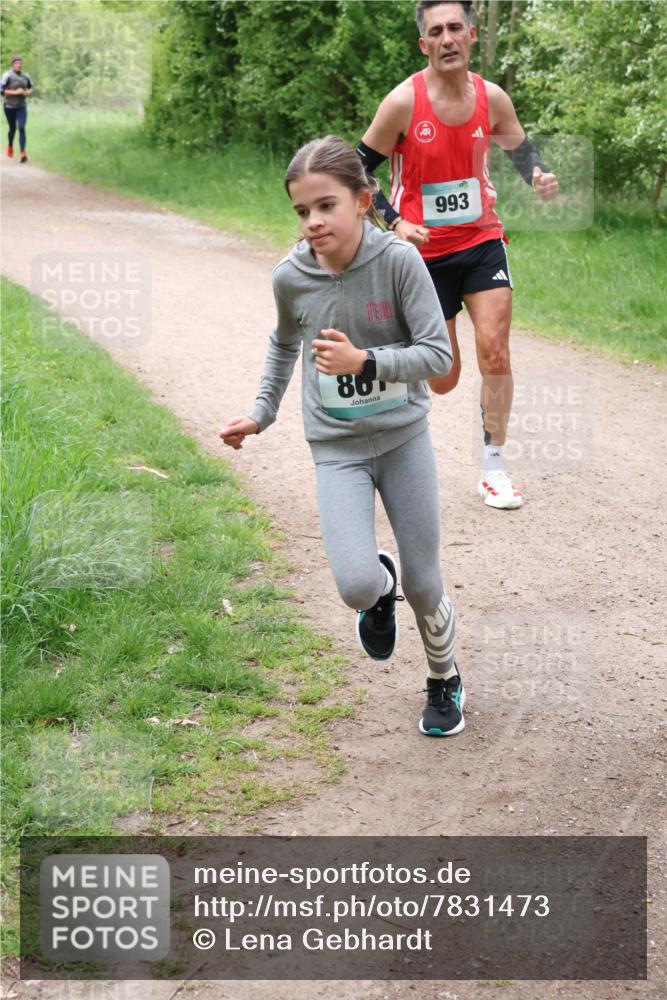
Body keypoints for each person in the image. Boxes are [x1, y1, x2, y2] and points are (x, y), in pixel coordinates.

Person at [219, 135, 465, 737]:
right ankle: (380, 593)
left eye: (326, 205)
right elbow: (283, 344)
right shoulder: (291, 277)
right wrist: (261, 413)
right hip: (336, 449)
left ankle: (443, 679)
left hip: (403, 437)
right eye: (302, 211)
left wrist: (366, 363)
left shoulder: (400, 262)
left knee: (425, 580)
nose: (313, 222)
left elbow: (437, 356)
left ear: (363, 199)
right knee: (356, 584)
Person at [357, 0, 559, 510]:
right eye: (436, 32)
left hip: (482, 240)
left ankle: (494, 466)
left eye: (455, 29)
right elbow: (357, 169)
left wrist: (538, 174)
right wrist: (396, 221)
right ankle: (387, 439)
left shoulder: (493, 98)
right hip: (423, 254)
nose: (447, 39)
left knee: (495, 349)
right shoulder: (402, 103)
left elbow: (520, 150)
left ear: (471, 35)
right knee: (444, 377)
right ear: (423, 44)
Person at [1, 55, 32, 163]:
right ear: (13, 65)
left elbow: (30, 87)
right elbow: (2, 91)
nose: (19, 65)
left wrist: (27, 92)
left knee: (22, 127)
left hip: (21, 106)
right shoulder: (7, 75)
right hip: (9, 106)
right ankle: (10, 145)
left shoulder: (26, 76)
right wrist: (16, 92)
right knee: (12, 128)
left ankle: (23, 152)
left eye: (20, 63)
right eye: (17, 63)